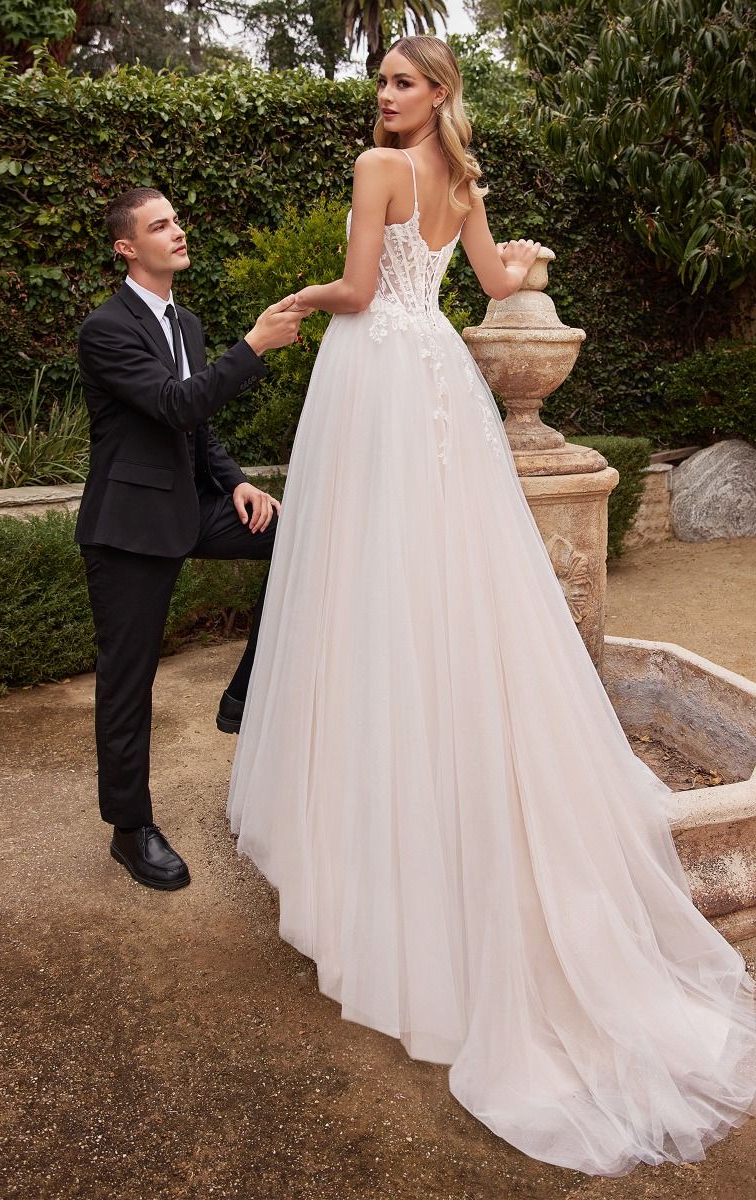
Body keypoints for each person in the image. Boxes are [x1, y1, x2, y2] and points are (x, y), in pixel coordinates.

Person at [227, 36, 756, 1175]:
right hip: (438, 382)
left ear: (438, 95)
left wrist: (306, 295)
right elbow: (502, 284)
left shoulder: (378, 174)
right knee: (445, 569)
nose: (383, 99)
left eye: (400, 85)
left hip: (375, 367)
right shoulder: (464, 182)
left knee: (363, 575)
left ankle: (368, 816)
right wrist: (517, 257)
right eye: (379, 85)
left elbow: (363, 292)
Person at [77, 187, 304, 891]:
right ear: (127, 247)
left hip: (193, 505)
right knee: (127, 685)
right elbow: (177, 403)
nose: (178, 231)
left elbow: (198, 431)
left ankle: (242, 692)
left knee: (300, 536)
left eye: (176, 220)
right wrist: (255, 347)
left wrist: (234, 480)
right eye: (160, 225)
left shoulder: (189, 323)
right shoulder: (105, 329)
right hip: (128, 531)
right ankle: (130, 829)